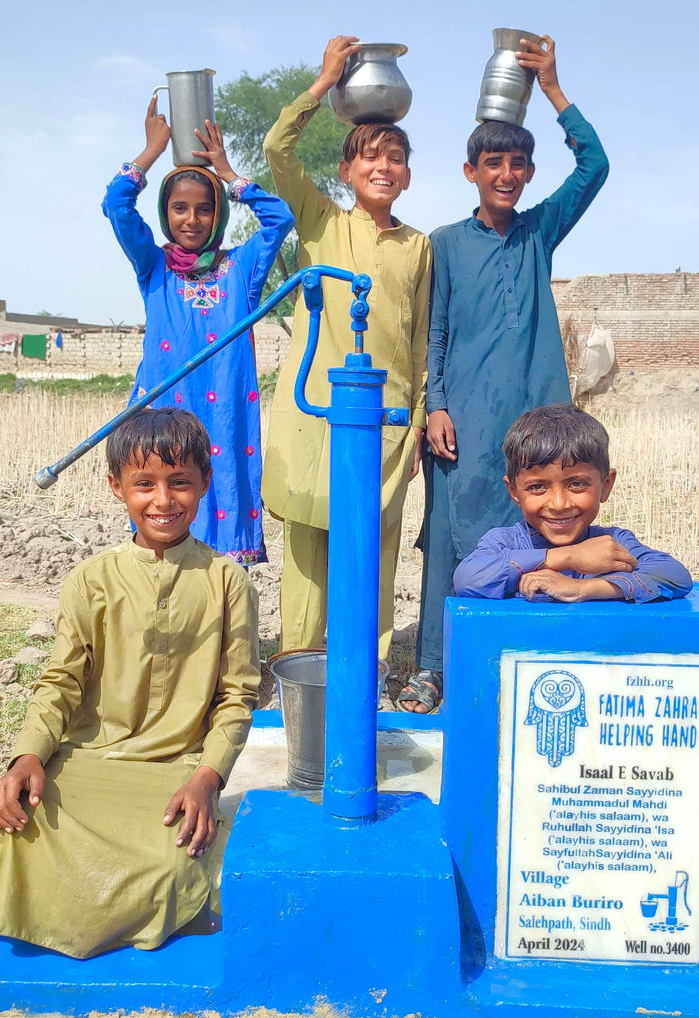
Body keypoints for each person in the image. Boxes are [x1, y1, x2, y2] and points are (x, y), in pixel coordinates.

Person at [0, 408, 261, 959]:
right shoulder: (90, 579)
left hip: (174, 770)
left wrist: (206, 778)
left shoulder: (228, 582)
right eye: (144, 484)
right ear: (116, 487)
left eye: (180, 484)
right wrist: (27, 756)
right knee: (4, 833)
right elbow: (60, 683)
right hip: (86, 762)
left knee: (176, 859)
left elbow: (238, 696)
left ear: (204, 485)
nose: (163, 501)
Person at [403, 34, 609, 712]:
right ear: (472, 172)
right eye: (494, 163)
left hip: (538, 420)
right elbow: (433, 333)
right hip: (461, 420)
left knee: (541, 533)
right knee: (448, 543)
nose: (507, 175)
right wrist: (435, 404)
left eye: (519, 164)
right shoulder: (445, 245)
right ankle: (434, 667)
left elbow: (595, 165)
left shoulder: (539, 232)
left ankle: (519, 659)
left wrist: (552, 87)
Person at [261, 36, 432, 665]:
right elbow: (277, 150)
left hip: (387, 425)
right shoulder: (321, 223)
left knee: (373, 550)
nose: (382, 166)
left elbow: (418, 346)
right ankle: (298, 674)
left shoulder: (419, 248)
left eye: (394, 157)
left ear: (407, 174)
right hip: (315, 416)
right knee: (308, 550)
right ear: (346, 171)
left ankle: (368, 668)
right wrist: (324, 79)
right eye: (369, 157)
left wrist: (414, 424)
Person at [103, 98, 294, 566]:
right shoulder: (154, 267)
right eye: (179, 208)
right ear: (166, 213)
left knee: (220, 535)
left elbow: (279, 219)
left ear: (219, 215)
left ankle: (220, 626)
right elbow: (115, 205)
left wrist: (228, 173)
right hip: (162, 416)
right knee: (162, 517)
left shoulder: (240, 270)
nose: (191, 220)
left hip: (223, 420)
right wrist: (151, 152)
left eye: (205, 209)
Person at [453, 404, 693, 603]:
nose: (559, 504)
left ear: (606, 485)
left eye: (576, 484)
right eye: (538, 487)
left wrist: (585, 589)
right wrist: (568, 557)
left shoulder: (612, 544)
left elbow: (675, 576)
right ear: (514, 491)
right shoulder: (505, 542)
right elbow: (468, 578)